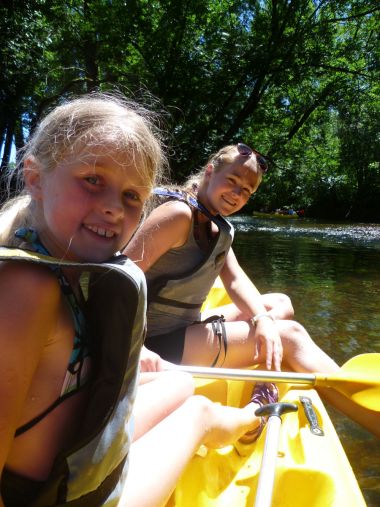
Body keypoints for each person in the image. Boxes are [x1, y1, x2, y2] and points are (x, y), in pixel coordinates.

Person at [0, 95, 273, 507]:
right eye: (93, 179)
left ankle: (244, 418)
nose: (113, 207)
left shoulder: (65, 266)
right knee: (197, 412)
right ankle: (257, 418)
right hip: (65, 497)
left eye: (132, 196)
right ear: (35, 178)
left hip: (72, 455)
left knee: (180, 381)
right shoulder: (26, 289)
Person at [125, 143, 380, 437]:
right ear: (210, 171)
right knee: (292, 337)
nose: (237, 194)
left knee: (279, 304)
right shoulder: (177, 215)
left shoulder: (218, 226)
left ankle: (268, 371)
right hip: (153, 341)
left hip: (183, 326)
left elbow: (234, 281)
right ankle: (368, 415)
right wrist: (137, 346)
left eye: (246, 191)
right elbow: (119, 281)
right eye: (232, 181)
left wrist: (262, 320)